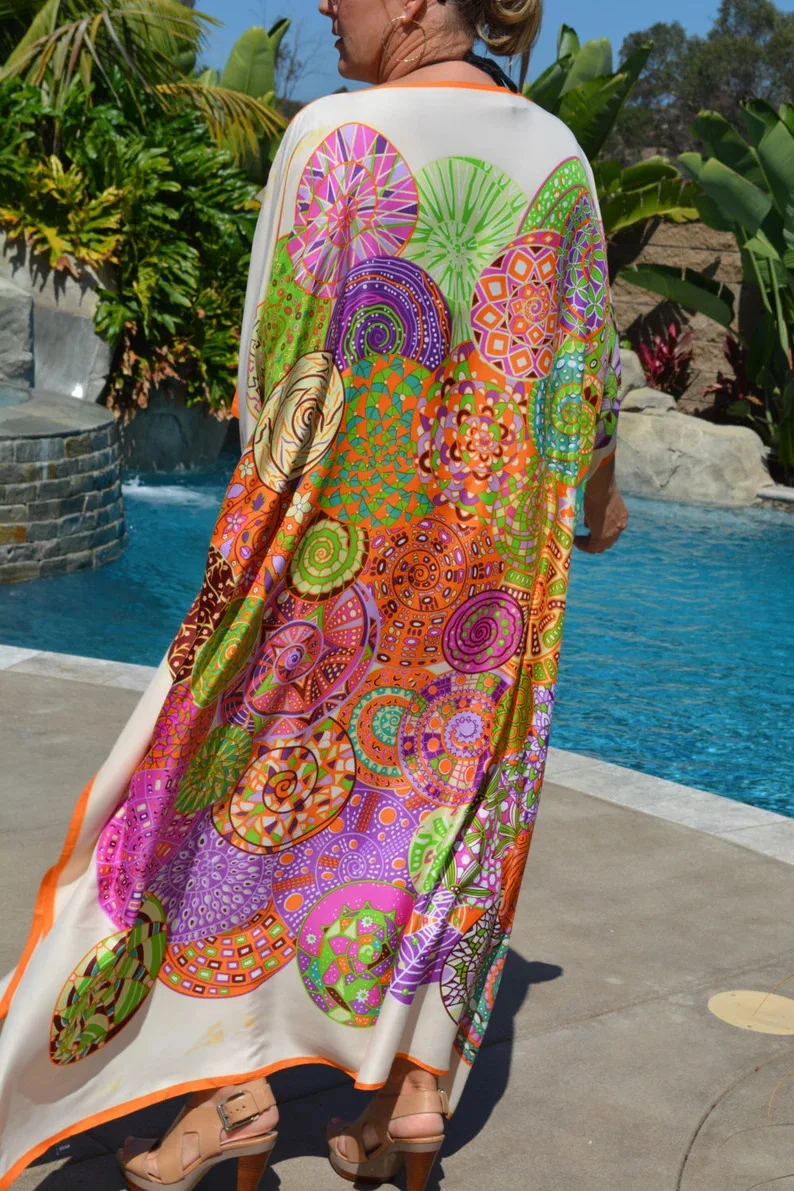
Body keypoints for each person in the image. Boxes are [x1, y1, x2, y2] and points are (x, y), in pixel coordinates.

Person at [0, 1, 629, 1188]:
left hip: (335, 550)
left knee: (233, 792)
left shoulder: (337, 135)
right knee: (443, 804)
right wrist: (599, 498)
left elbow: (275, 369)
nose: (329, 4)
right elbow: (580, 375)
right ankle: (412, 1092)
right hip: (488, 573)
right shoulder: (561, 155)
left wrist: (246, 559)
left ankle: (229, 1094)